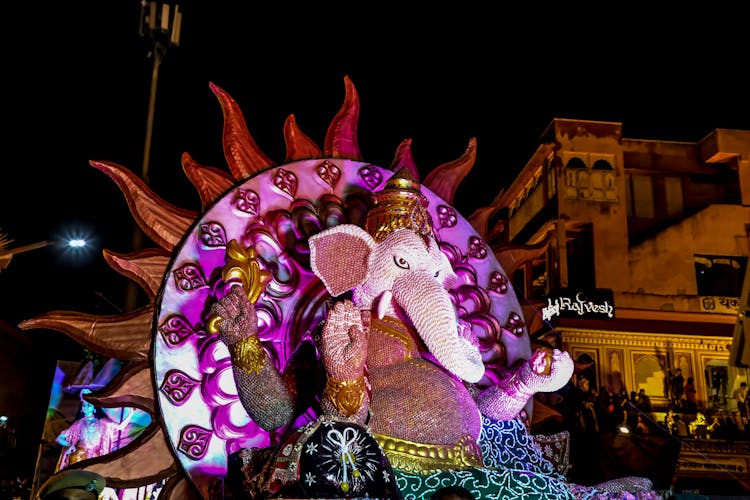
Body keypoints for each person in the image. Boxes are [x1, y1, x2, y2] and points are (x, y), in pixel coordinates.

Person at [54, 389, 135, 471]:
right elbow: (59, 438)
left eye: (89, 405)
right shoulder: (79, 424)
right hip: (79, 456)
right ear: (82, 408)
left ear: (94, 408)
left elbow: (120, 426)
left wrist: (130, 412)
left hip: (95, 458)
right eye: (84, 405)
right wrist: (69, 445)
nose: (86, 408)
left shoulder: (103, 423)